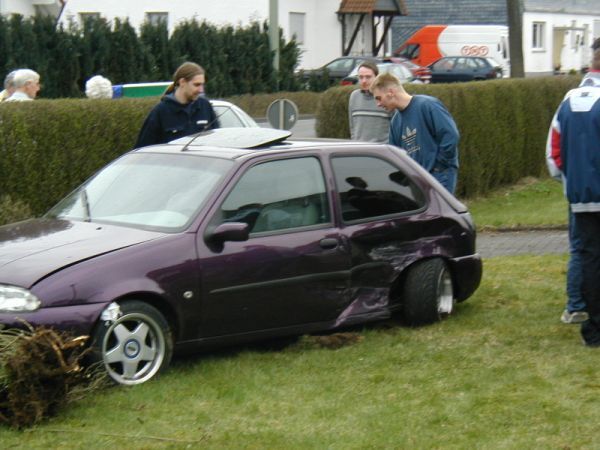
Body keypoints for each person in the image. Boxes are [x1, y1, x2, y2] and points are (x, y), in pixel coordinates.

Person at [547, 46, 600, 347]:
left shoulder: (569, 100)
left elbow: (553, 155)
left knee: (589, 257)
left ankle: (592, 328)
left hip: (581, 195)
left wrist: (571, 184)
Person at [370, 72, 459, 193]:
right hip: (417, 182)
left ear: (390, 92)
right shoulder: (395, 122)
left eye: (378, 98)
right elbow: (396, 154)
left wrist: (439, 166)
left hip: (439, 177)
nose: (378, 104)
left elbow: (450, 136)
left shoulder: (428, 105)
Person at [135, 62, 219, 148]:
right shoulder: (160, 112)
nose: (201, 90)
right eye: (196, 85)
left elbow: (218, 142)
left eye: (202, 85)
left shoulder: (205, 107)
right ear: (182, 82)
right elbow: (142, 150)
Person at [348, 62, 390, 143]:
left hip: (382, 152)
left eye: (368, 77)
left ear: (377, 77)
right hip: (359, 151)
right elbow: (352, 126)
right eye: (361, 77)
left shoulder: (386, 97)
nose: (364, 81)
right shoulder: (354, 96)